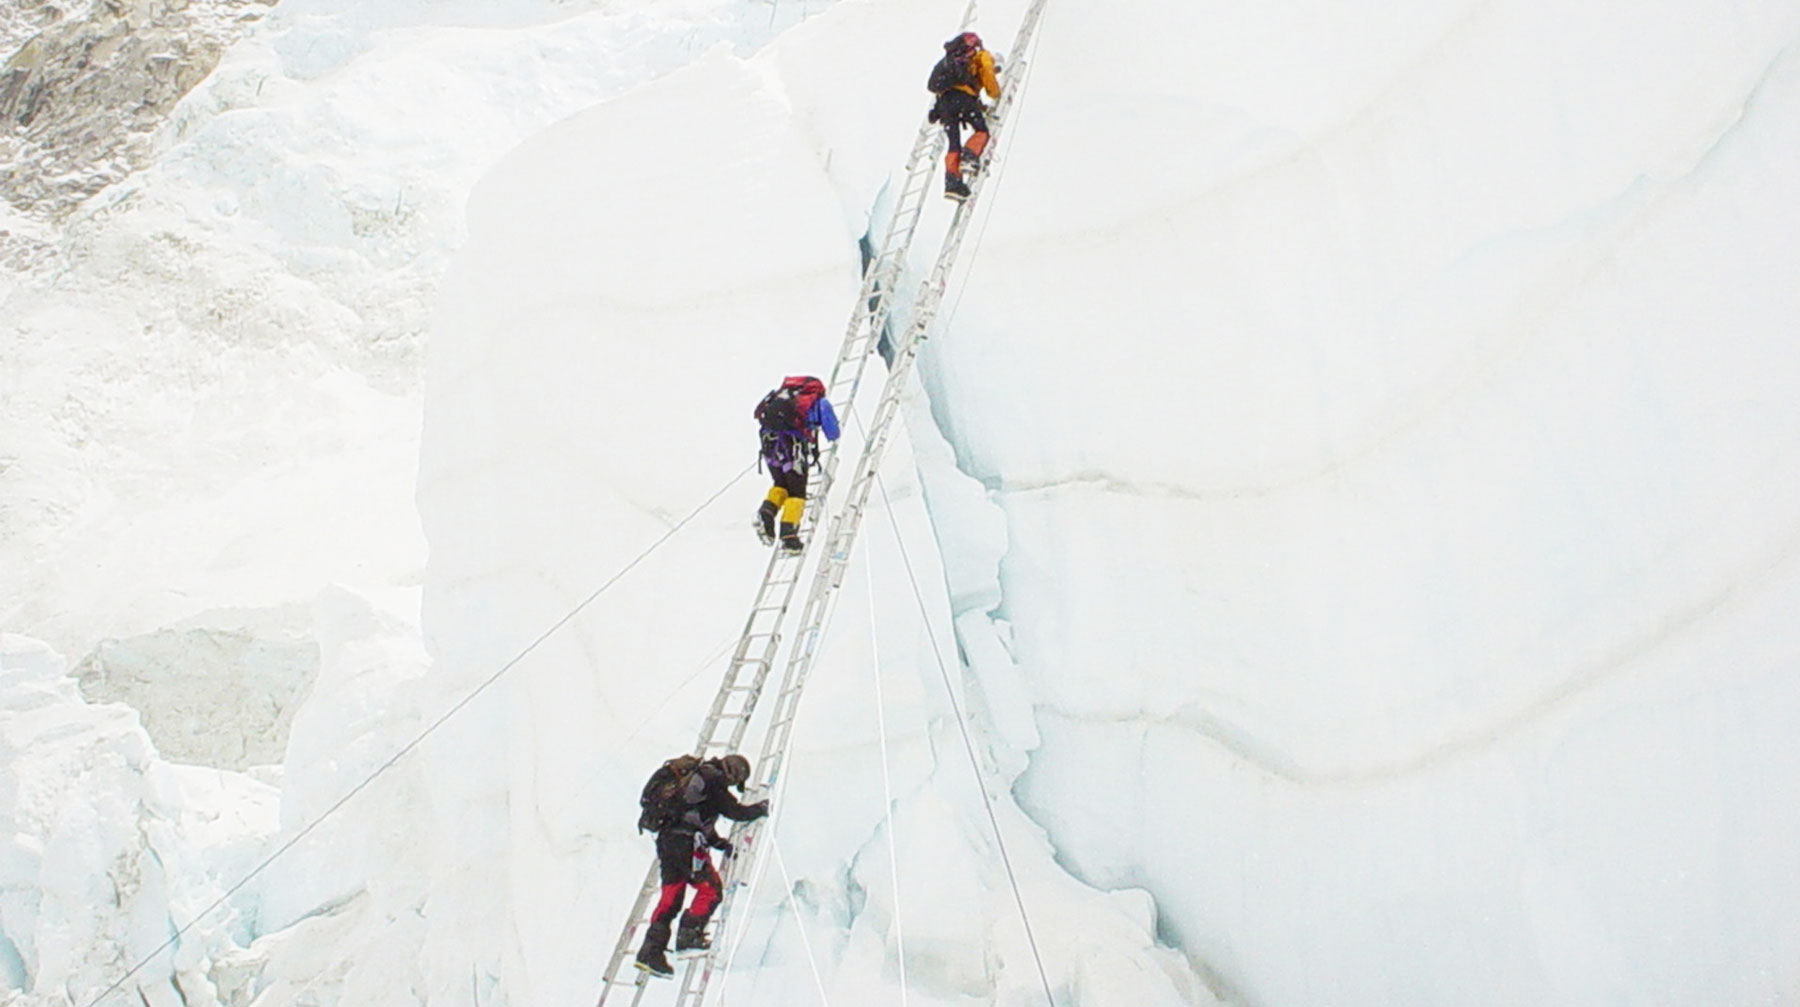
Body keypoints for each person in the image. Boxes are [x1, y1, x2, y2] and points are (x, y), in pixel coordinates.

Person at [635, 753, 770, 978]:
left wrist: (720, 844)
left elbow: (700, 821)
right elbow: (735, 811)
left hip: (668, 841)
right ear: (733, 774)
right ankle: (689, 937)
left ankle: (650, 952)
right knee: (711, 889)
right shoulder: (713, 779)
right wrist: (761, 808)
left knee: (671, 898)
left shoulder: (699, 777)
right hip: (686, 843)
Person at [754, 375, 840, 553]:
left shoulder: (782, 397)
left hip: (769, 444)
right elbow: (833, 433)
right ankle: (789, 536)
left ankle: (766, 513)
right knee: (797, 492)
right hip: (792, 448)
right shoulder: (819, 402)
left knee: (781, 484)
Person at [927, 31, 1001, 200]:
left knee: (953, 143)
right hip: (963, 99)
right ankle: (969, 157)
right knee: (982, 131)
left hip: (945, 104)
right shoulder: (983, 56)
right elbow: (988, 76)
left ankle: (953, 183)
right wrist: (995, 93)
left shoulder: (952, 60)